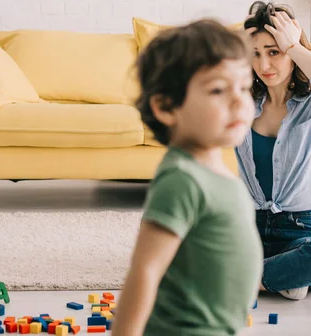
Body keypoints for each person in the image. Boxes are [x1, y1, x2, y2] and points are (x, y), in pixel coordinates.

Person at [113, 19, 263, 335]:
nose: (239, 100)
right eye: (219, 89)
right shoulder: (182, 179)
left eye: (245, 87)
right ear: (168, 107)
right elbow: (146, 270)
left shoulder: (218, 171)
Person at [235, 1, 311, 301]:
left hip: (303, 230)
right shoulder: (242, 103)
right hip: (249, 227)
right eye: (256, 54)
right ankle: (279, 277)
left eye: (274, 52)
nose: (264, 66)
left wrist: (295, 47)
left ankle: (238, 278)